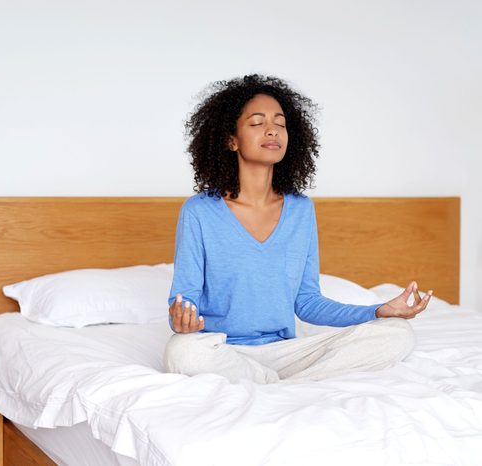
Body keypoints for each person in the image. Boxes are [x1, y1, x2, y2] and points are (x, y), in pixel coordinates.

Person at [164, 74, 432, 384]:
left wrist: (378, 311)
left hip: (284, 352)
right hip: (221, 350)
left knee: (398, 334)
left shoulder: (301, 210)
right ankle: (286, 383)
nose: (272, 130)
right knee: (182, 351)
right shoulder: (199, 211)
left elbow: (307, 303)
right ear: (231, 139)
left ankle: (271, 382)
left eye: (280, 123)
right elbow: (184, 300)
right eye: (257, 123)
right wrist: (182, 319)